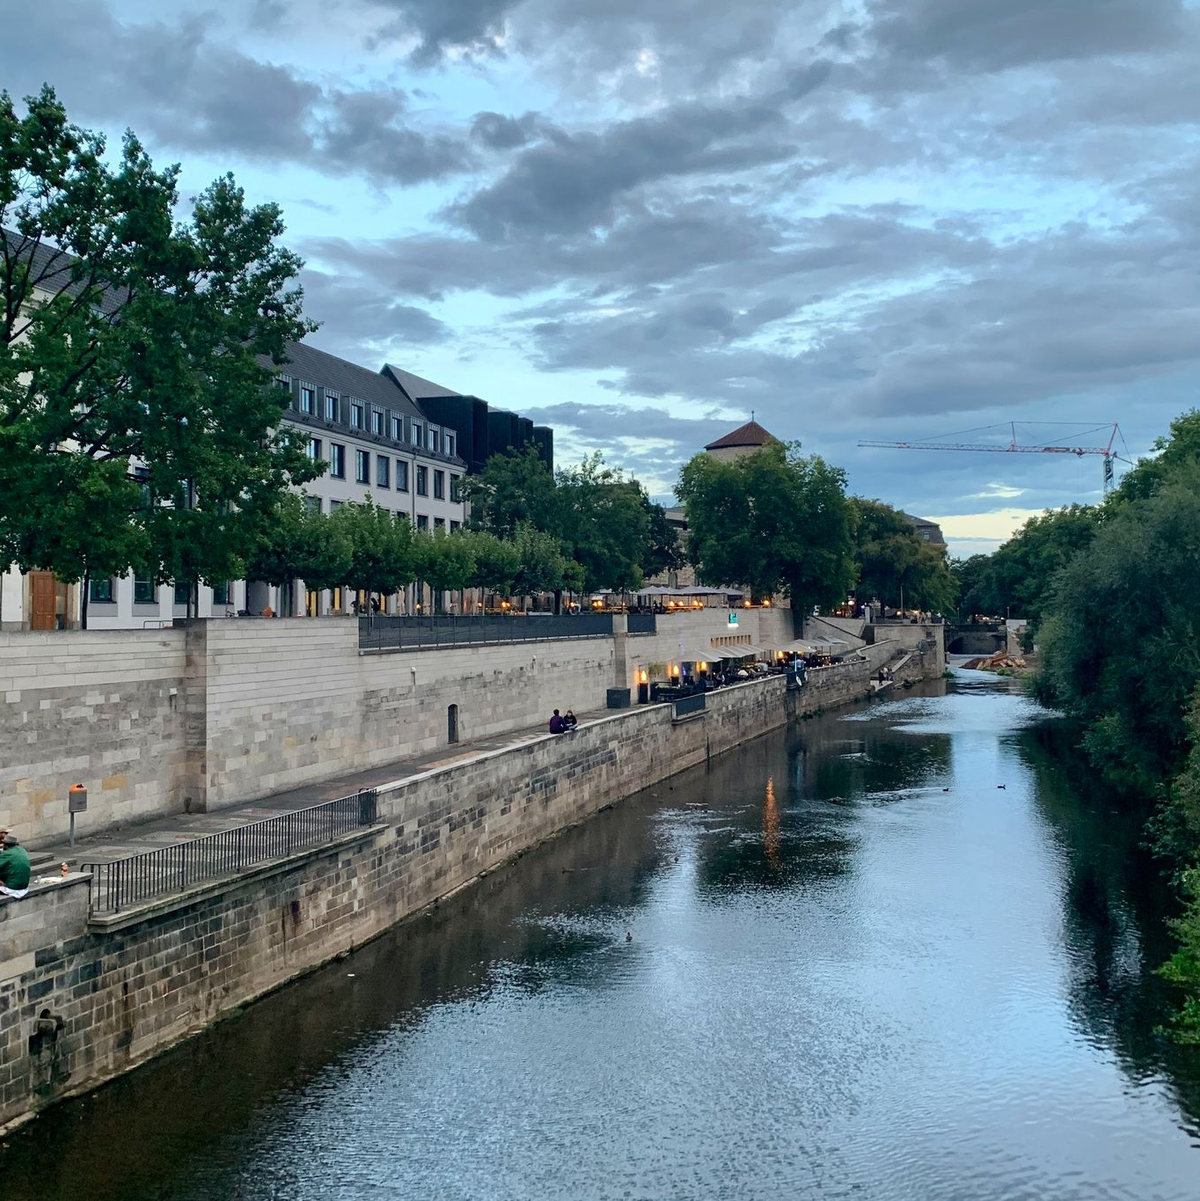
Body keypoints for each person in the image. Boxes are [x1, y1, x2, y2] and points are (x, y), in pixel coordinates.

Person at [0, 832, 32, 900]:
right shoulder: (22, 850)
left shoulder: (7, 854)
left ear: (5, 845)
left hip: (12, 888)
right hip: (23, 888)